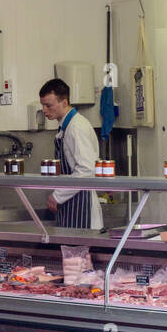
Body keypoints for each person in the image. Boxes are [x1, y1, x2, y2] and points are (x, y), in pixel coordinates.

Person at [39, 77, 103, 231]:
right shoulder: (65, 128)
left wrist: (57, 196)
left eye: (49, 105)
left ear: (64, 103)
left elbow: (87, 169)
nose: (44, 110)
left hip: (83, 208)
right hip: (71, 205)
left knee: (78, 254)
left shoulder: (76, 128)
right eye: (43, 105)